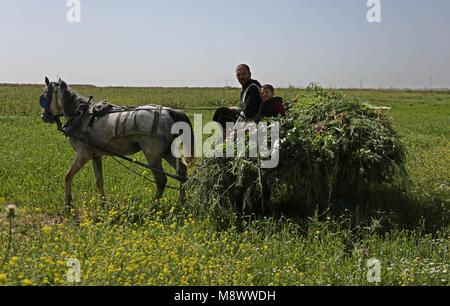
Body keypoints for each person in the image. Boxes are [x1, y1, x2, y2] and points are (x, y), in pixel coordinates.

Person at [213, 64, 262, 131]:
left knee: (222, 113)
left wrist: (237, 110)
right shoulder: (247, 86)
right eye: (238, 75)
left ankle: (225, 138)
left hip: (252, 123)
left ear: (249, 74)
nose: (241, 77)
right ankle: (223, 136)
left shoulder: (252, 88)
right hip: (247, 119)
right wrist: (237, 109)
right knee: (220, 111)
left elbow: (249, 113)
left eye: (244, 74)